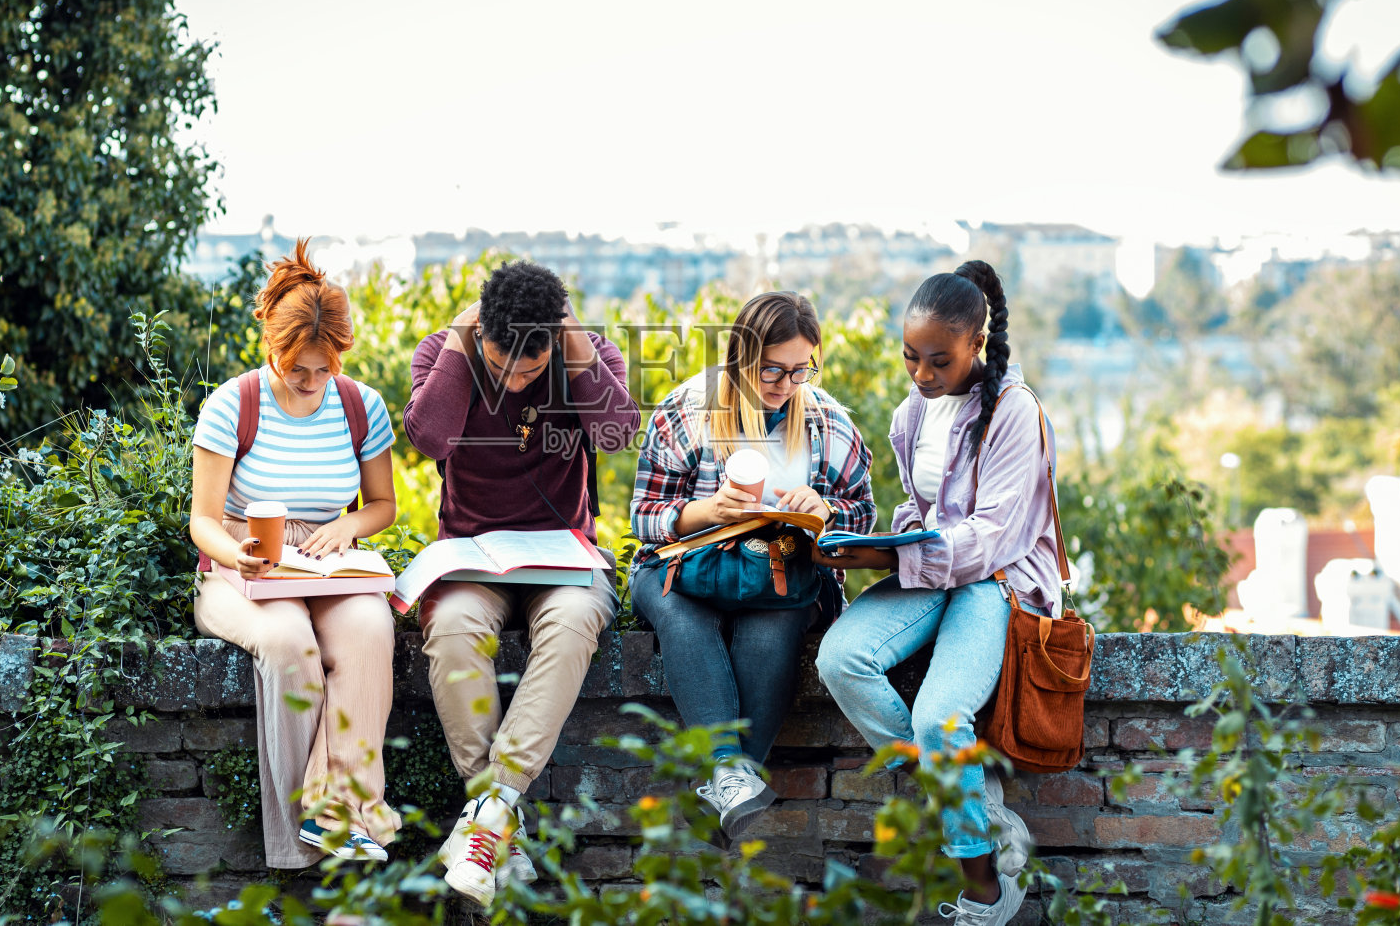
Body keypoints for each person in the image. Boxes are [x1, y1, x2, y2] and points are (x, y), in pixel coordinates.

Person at [814, 260, 1059, 926]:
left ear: (977, 344)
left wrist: (912, 550)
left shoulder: (1016, 410)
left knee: (938, 717)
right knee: (840, 659)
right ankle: (964, 795)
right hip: (933, 568)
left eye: (939, 361)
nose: (923, 375)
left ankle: (986, 883)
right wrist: (876, 545)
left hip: (998, 578)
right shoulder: (908, 415)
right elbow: (923, 509)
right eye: (910, 358)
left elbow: (993, 535)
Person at [403, 259, 640, 907]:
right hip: (472, 555)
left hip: (563, 553)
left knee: (572, 624)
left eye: (528, 371)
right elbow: (425, 434)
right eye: (501, 363)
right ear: (481, 335)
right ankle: (499, 825)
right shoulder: (445, 352)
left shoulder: (585, 355)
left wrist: (577, 346)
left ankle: (489, 812)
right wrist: (459, 338)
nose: (512, 379)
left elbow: (619, 431)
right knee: (450, 630)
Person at [629, 291, 876, 840]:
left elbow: (864, 516)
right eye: (771, 370)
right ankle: (733, 777)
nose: (786, 386)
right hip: (685, 569)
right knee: (683, 619)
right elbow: (643, 519)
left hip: (781, 576)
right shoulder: (688, 410)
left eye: (799, 371)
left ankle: (728, 783)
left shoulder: (828, 423)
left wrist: (827, 509)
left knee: (777, 622)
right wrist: (707, 510)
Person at [189, 239, 401, 867]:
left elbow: (384, 505)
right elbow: (201, 520)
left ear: (341, 355)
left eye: (323, 370)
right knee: (289, 645)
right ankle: (297, 842)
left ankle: (341, 813)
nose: (310, 383)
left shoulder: (362, 406)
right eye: (296, 369)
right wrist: (240, 552)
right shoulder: (234, 404)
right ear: (272, 351)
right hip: (240, 567)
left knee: (370, 629)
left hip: (324, 565)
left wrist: (349, 527)